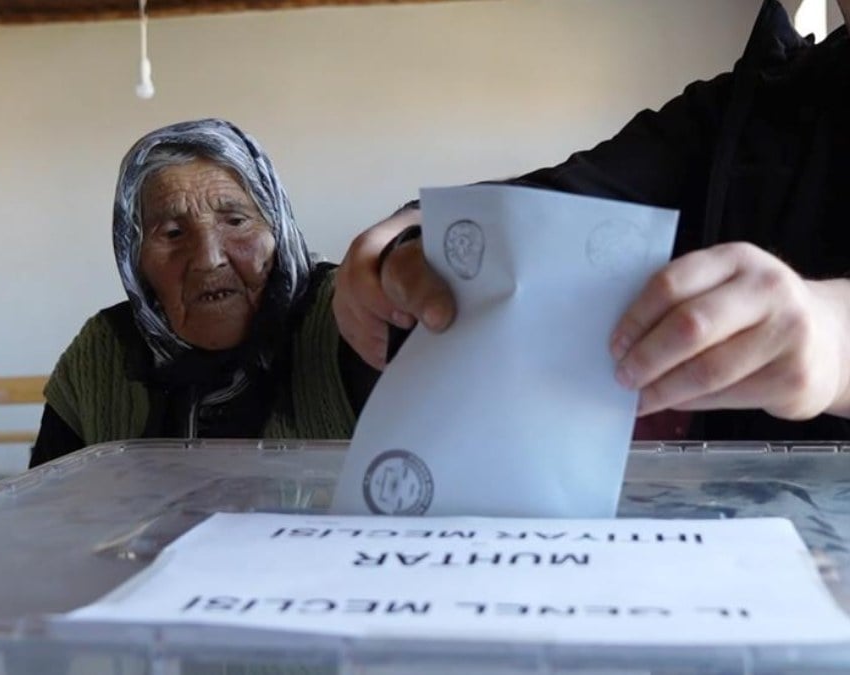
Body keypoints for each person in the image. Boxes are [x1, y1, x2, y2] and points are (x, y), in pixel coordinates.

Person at [333, 0, 850, 441]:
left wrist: (833, 338)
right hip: (738, 530)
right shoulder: (750, 104)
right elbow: (565, 198)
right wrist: (410, 232)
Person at [29, 119, 376, 467]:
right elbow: (45, 511)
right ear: (134, 259)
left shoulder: (343, 315)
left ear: (278, 229)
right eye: (173, 233)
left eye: (236, 221)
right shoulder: (104, 353)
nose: (209, 260)